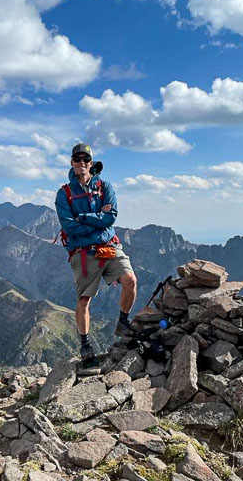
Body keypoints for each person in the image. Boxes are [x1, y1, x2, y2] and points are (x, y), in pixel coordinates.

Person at [55, 143, 137, 364]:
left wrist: (82, 217)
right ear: (71, 163)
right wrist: (96, 219)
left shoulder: (105, 186)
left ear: (91, 163)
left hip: (109, 247)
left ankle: (123, 323)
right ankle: (85, 345)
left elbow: (111, 218)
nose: (82, 163)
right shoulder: (64, 194)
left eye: (86, 160)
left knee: (130, 280)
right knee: (84, 300)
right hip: (84, 253)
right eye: (77, 159)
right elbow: (69, 227)